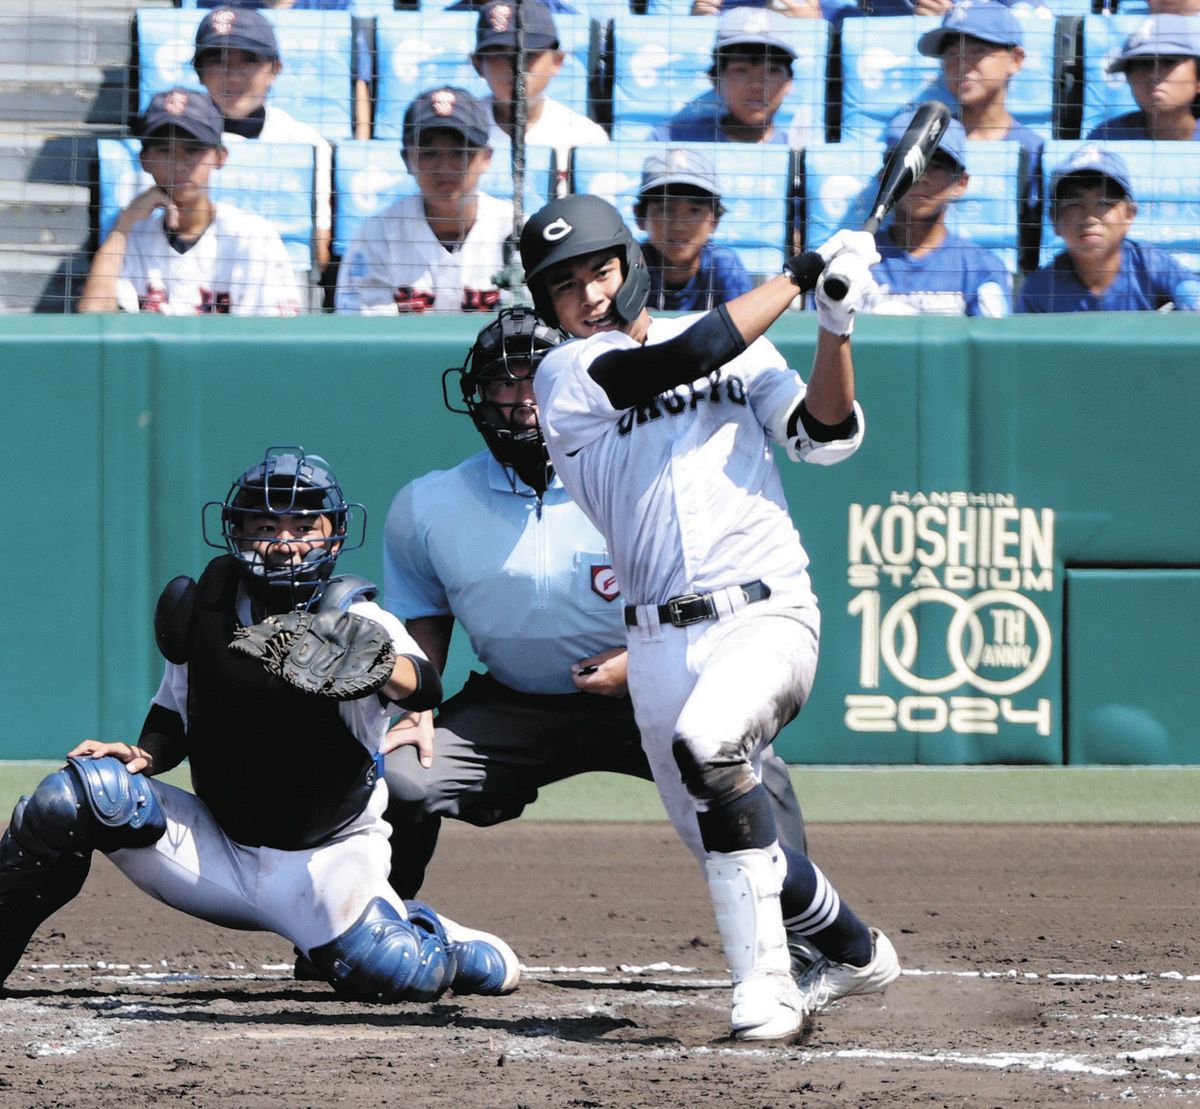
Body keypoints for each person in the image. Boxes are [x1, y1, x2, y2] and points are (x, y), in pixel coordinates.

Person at [517, 195, 900, 1041]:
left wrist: (836, 326)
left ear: (631, 263)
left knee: (709, 744)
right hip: (657, 641)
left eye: (600, 270)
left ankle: (763, 989)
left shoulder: (743, 345)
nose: (586, 293)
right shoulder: (567, 375)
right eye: (565, 284)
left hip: (767, 609)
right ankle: (855, 950)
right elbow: (679, 358)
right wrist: (802, 275)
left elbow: (823, 436)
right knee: (737, 848)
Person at [0, 447, 520, 1003]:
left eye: (302, 527)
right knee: (76, 798)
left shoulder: (357, 620)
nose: (282, 541)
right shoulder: (203, 609)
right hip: (216, 850)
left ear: (334, 537)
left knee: (395, 970)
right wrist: (147, 754)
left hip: (327, 863)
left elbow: (423, 684)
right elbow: (175, 712)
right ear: (236, 532)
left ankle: (432, 934)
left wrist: (375, 665)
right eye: (265, 525)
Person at [376, 308, 809, 910]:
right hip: (513, 703)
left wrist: (639, 659)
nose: (523, 399)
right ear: (478, 396)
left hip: (650, 686)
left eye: (538, 376)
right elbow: (423, 609)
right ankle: (371, 926)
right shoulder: (429, 501)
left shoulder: (644, 476)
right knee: (399, 775)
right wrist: (419, 706)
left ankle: (803, 933)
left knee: (747, 766)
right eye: (505, 381)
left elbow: (703, 590)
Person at [78, 88, 303, 316]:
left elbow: (274, 339)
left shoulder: (252, 236)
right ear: (144, 160)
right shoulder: (132, 237)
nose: (178, 165)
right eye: (165, 151)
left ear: (219, 157)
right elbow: (93, 319)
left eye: (192, 150)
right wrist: (123, 224)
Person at [335, 86, 511, 314]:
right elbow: (363, 334)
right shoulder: (377, 235)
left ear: (486, 157)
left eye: (459, 152)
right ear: (407, 159)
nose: (444, 167)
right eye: (429, 153)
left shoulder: (514, 231)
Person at [191, 5, 334, 270]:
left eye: (248, 59)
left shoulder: (305, 142)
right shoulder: (176, 140)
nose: (232, 74)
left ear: (275, 68)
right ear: (198, 71)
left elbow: (319, 252)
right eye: (217, 60)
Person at [916, 0, 1044, 265]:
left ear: (1016, 59)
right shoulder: (922, 140)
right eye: (951, 55)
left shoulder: (1035, 151)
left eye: (977, 51)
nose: (962, 65)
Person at [1017, 144, 1200, 312]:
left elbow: (1189, 290)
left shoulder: (1151, 265)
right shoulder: (1039, 290)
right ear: (1054, 219)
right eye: (1074, 204)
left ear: (1130, 215)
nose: (1090, 217)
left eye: (1104, 202)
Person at [862, 111, 1010, 317]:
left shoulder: (982, 268)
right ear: (883, 177)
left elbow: (992, 346)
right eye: (907, 165)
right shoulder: (853, 260)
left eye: (936, 167)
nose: (920, 178)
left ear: (961, 183)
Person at [470, 0, 608, 176]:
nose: (515, 67)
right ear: (478, 64)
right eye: (501, 54)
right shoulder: (458, 133)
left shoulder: (585, 137)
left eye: (529, 55)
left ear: (557, 62)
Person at [651, 8, 809, 147]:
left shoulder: (799, 156)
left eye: (771, 71)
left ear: (789, 82)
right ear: (716, 80)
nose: (756, 85)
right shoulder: (672, 141)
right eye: (741, 71)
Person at [633, 148, 754, 311]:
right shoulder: (628, 267)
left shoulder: (725, 268)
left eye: (694, 210)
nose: (678, 225)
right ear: (640, 218)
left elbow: (744, 328)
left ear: (715, 220)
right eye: (664, 210)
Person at [1087, 14, 1200, 142]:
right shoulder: (1106, 138)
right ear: (1129, 79)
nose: (1153, 76)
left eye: (1169, 62)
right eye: (1143, 63)